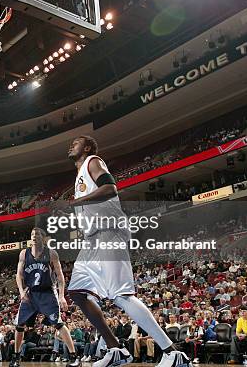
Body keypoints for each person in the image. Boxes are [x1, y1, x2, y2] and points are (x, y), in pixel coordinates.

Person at [51, 135, 191, 367]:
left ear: (86, 147)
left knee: (121, 296)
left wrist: (73, 204)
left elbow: (109, 188)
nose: (70, 145)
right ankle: (116, 349)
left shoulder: (93, 161)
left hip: (109, 232)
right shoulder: (79, 177)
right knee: (76, 292)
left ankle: (172, 352)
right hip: (92, 240)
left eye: (75, 142)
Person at [10, 227, 80, 367]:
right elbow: (18, 275)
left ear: (43, 238)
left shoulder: (51, 253)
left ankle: (74, 357)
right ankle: (16, 357)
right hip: (31, 293)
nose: (34, 236)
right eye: (32, 234)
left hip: (48, 292)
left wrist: (61, 296)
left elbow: (60, 277)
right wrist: (21, 292)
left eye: (37, 234)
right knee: (19, 325)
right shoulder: (24, 254)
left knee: (58, 323)